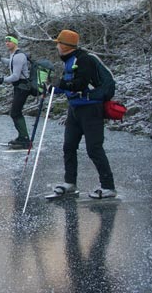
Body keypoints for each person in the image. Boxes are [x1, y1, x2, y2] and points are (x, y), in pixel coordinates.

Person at [50, 29, 117, 199]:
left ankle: (108, 187)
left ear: (65, 46)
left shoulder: (84, 59)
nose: (57, 46)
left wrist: (62, 83)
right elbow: (68, 84)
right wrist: (51, 88)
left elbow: (79, 84)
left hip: (91, 109)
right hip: (75, 109)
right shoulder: (69, 60)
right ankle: (70, 183)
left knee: (94, 148)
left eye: (58, 43)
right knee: (69, 146)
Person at [0, 34, 31, 149]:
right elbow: (11, 62)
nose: (7, 43)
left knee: (15, 113)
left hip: (23, 87)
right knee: (15, 112)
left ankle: (25, 139)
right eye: (6, 41)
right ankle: (23, 137)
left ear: (15, 42)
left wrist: (1, 80)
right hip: (19, 87)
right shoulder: (14, 55)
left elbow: (15, 76)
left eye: (9, 41)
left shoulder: (19, 56)